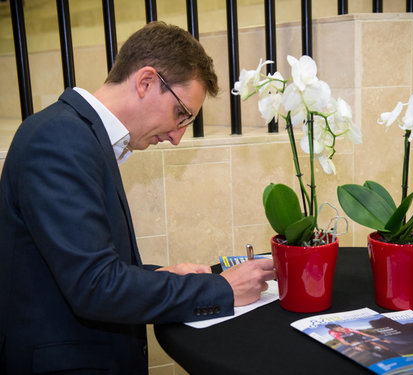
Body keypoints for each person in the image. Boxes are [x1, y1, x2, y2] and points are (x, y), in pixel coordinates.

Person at [0, 21, 275, 374]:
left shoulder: (80, 135)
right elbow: (96, 287)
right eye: (181, 114)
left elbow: (82, 262)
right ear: (146, 81)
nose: (177, 137)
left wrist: (162, 274)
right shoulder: (60, 139)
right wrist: (219, 289)